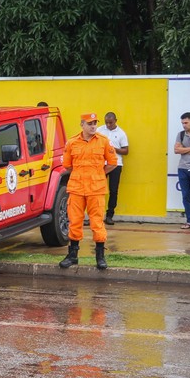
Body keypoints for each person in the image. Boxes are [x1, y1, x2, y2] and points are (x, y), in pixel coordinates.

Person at [59, 112, 118, 270]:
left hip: (96, 189)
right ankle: (73, 256)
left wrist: (98, 174)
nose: (93, 126)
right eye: (90, 124)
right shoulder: (72, 142)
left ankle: (100, 256)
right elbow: (67, 165)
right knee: (75, 222)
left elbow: (112, 162)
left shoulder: (104, 142)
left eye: (94, 123)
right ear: (82, 125)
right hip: (77, 188)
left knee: (97, 222)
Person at [96, 112, 129, 225]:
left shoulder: (121, 133)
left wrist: (112, 149)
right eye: (106, 122)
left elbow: (126, 151)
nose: (108, 125)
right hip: (101, 164)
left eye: (110, 122)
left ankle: (110, 215)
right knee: (97, 190)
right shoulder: (99, 130)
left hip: (116, 164)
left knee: (113, 190)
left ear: (116, 120)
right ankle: (96, 215)